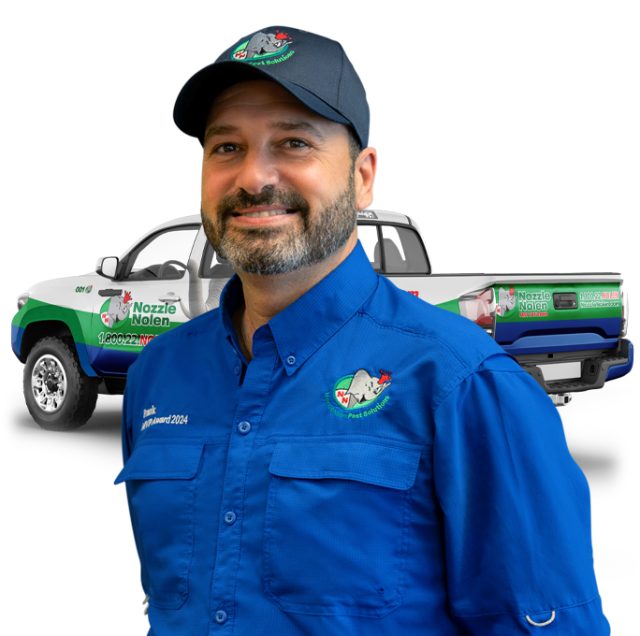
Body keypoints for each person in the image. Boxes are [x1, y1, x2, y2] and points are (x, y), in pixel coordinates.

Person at [116, 26, 610, 635]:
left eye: (293, 142)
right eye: (226, 148)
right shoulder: (158, 376)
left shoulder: (464, 384)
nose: (251, 177)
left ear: (363, 175)